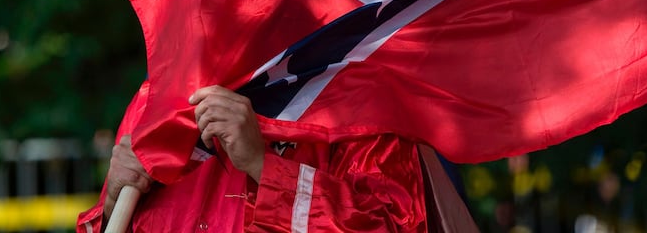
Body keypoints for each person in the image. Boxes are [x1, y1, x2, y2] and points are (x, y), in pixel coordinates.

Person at [78, 85, 431, 232]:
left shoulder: (362, 102)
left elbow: (394, 225)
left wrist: (264, 168)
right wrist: (111, 205)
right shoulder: (155, 101)